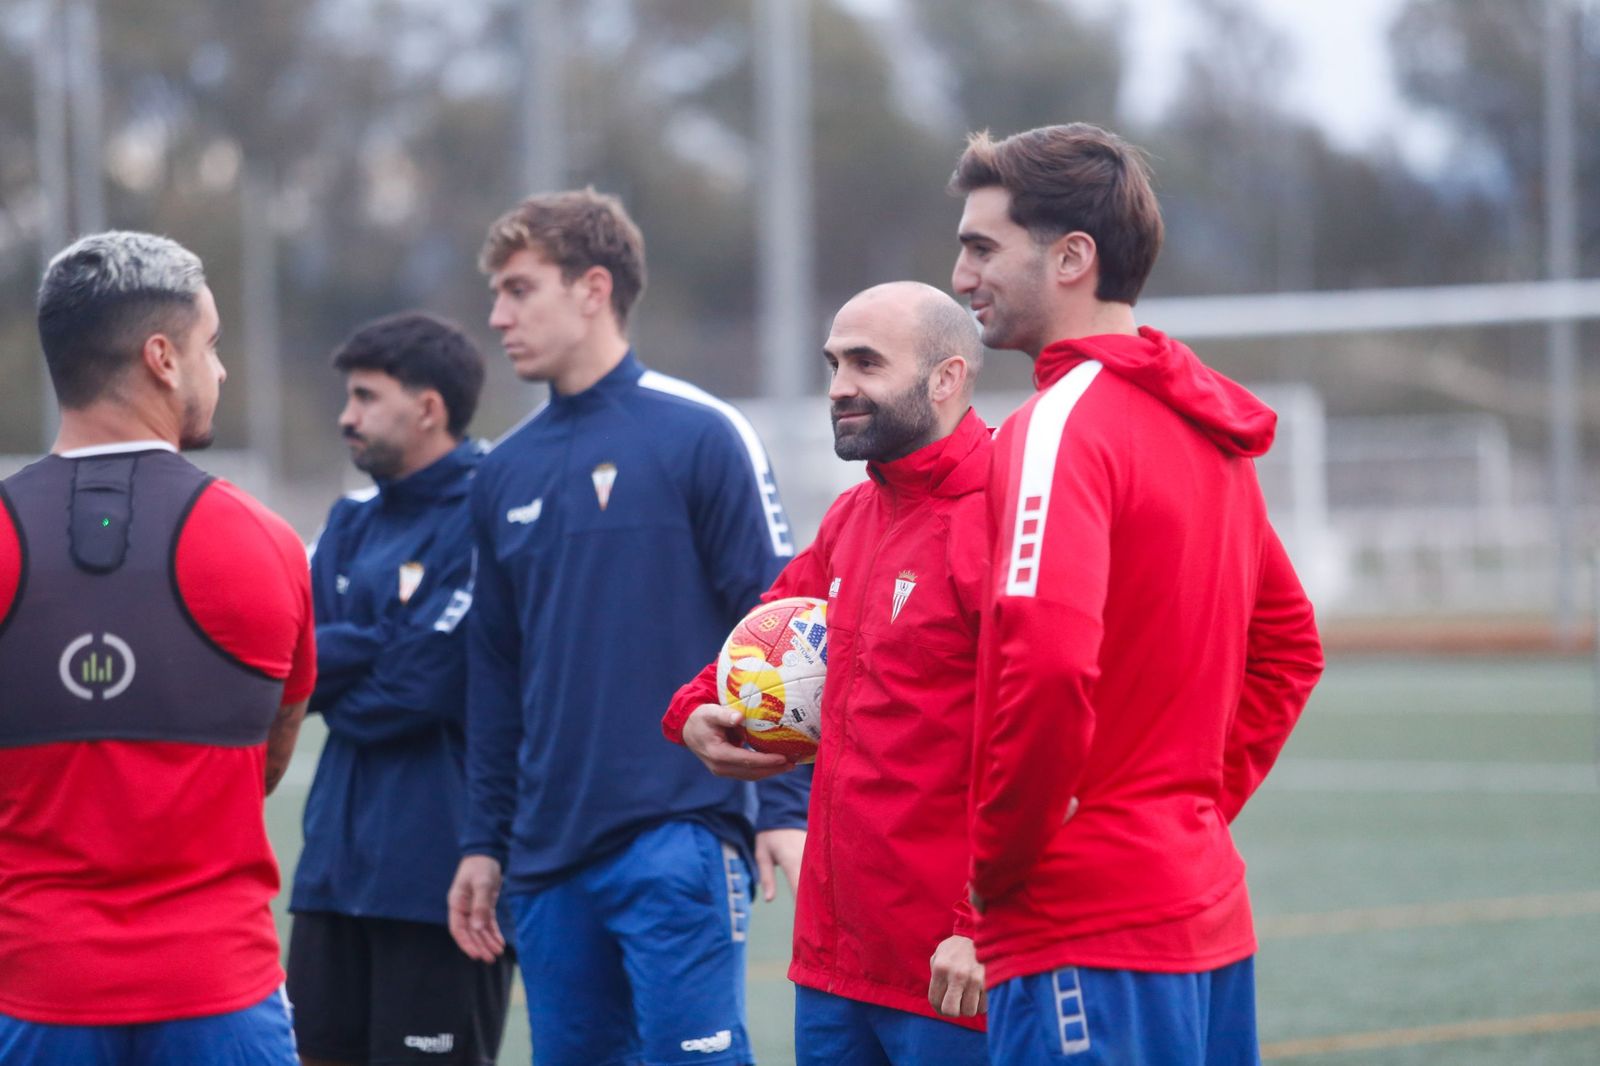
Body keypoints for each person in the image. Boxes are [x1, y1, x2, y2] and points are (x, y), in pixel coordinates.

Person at [948, 123, 1325, 1065]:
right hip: (1199, 912)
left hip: (1085, 926)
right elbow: (1289, 646)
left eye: (982, 247)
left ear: (1072, 257)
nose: (960, 278)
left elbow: (1046, 659)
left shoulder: (1057, 426)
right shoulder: (1205, 429)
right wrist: (1183, 809)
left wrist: (995, 868)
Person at [446, 187, 808, 1066]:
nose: (497, 316)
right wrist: (484, 842)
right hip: (545, 863)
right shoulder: (502, 474)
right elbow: (495, 678)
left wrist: (783, 807)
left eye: (519, 289)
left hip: (679, 835)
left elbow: (783, 630)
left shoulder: (702, 434)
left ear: (593, 288)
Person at [0, 231, 314, 1065]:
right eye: (211, 347)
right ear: (162, 358)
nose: (221, 372)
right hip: (222, 992)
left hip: (37, 993)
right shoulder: (268, 543)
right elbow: (271, 754)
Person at [664, 281, 995, 1066]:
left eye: (866, 362)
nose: (840, 385)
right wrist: (694, 711)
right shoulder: (853, 517)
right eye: (834, 362)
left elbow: (1046, 738)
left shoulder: (1005, 515)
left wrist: (982, 927)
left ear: (946, 377)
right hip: (833, 971)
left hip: (955, 973)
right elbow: (760, 632)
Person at [286, 312, 513, 1066]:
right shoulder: (346, 523)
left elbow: (425, 686)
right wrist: (376, 644)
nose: (346, 417)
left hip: (441, 882)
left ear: (428, 408)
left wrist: (347, 653)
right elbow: (298, 671)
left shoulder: (491, 510)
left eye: (364, 397)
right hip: (330, 878)